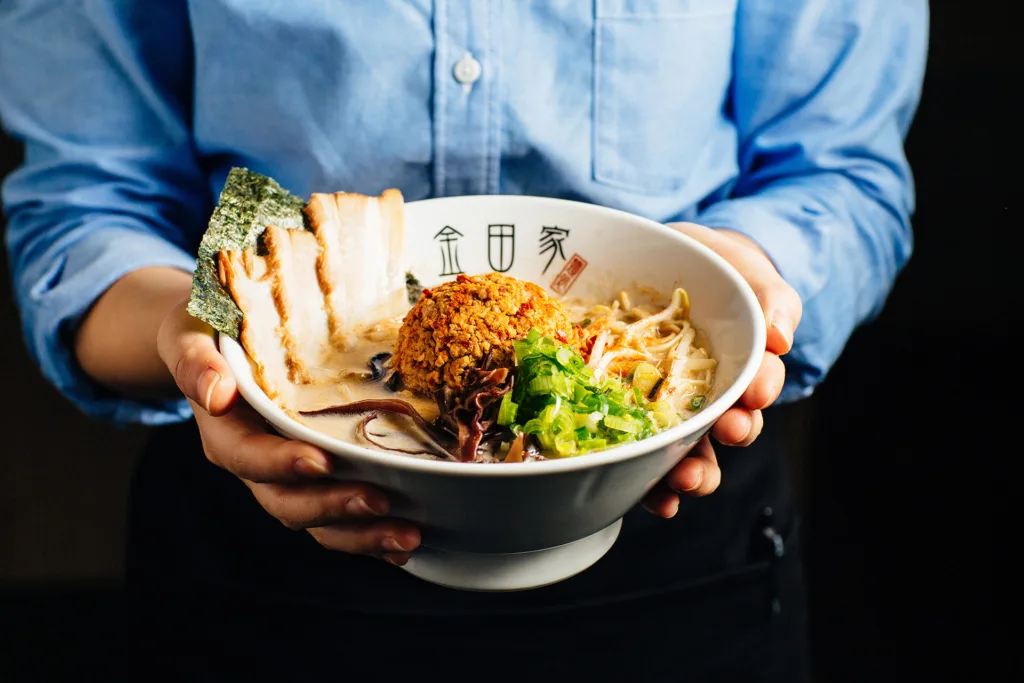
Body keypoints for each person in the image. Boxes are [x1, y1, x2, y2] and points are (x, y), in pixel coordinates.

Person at [0, 2, 927, 681]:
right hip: (257, 540)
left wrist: (744, 278)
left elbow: (840, 170)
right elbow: (89, 209)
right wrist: (194, 329)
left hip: (673, 534)